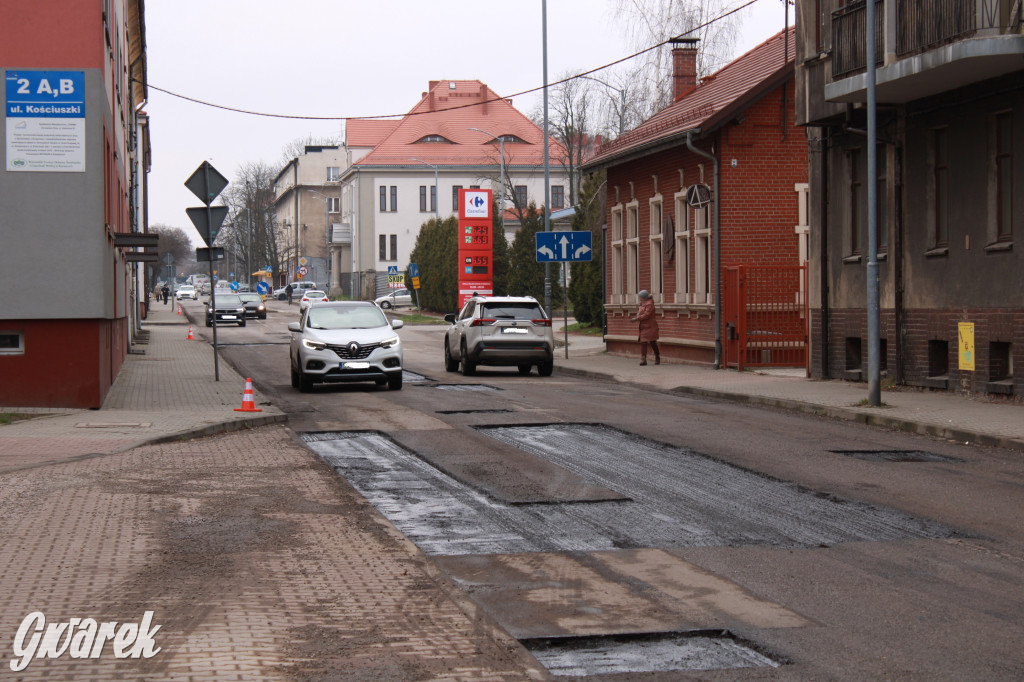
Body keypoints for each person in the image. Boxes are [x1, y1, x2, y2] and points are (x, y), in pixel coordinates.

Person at [630, 290, 660, 366]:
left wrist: (637, 319)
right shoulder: (642, 304)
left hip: (650, 326)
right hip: (643, 326)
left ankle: (657, 357)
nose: (639, 298)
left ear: (643, 297)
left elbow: (647, 315)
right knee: (643, 342)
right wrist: (637, 316)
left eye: (640, 297)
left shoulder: (650, 304)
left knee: (652, 342)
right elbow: (640, 312)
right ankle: (643, 360)